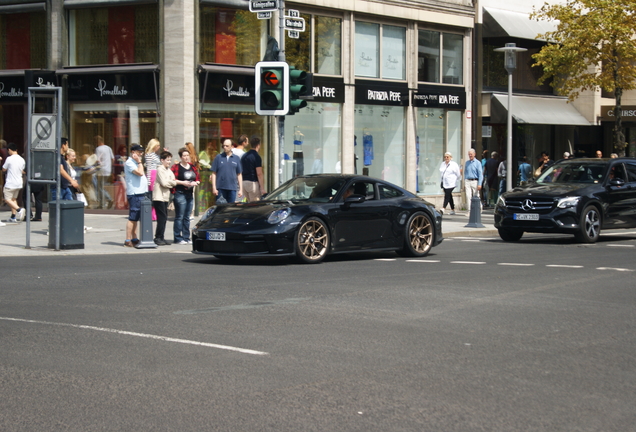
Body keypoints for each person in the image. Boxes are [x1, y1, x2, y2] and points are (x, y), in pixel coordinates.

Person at [170, 147, 200, 245]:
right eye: (184, 156)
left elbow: (197, 178)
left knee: (187, 217)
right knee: (180, 216)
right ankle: (178, 237)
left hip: (189, 194)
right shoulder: (176, 167)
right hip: (180, 193)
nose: (186, 157)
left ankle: (186, 237)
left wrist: (196, 183)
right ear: (180, 157)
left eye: (187, 155)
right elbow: (172, 179)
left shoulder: (192, 166)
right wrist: (183, 183)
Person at [124, 144, 148, 247]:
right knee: (133, 217)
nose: (140, 154)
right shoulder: (129, 163)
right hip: (135, 193)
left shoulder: (134, 162)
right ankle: (127, 239)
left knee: (136, 217)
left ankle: (134, 237)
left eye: (141, 152)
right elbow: (140, 173)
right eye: (138, 152)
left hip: (140, 192)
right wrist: (139, 162)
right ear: (133, 152)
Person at [152, 151, 177, 246]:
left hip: (165, 197)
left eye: (170, 160)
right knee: (161, 218)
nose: (169, 162)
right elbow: (164, 183)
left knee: (164, 218)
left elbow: (173, 181)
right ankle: (158, 237)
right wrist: (171, 182)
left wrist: (171, 182)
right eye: (167, 160)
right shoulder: (160, 169)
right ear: (162, 160)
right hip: (158, 197)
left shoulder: (168, 170)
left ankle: (161, 237)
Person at [211, 139, 243, 204]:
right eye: (223, 146)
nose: (225, 147)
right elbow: (214, 173)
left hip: (232, 188)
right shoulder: (218, 157)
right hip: (220, 188)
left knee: (230, 209)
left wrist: (241, 189)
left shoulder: (236, 158)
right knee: (220, 209)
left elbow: (239, 174)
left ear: (232, 146)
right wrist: (214, 188)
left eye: (227, 146)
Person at [2, 142, 26, 223]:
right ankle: (13, 216)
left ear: (9, 150)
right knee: (13, 199)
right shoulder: (22, 159)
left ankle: (19, 210)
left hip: (10, 183)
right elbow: (22, 170)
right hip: (19, 183)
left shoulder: (9, 159)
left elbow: (4, 169)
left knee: (7, 199)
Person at [242, 136, 266, 202]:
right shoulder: (256, 157)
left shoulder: (244, 156)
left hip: (244, 183)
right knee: (255, 205)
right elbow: (259, 173)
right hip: (252, 184)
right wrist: (262, 188)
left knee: (249, 204)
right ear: (258, 145)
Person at [94, 135, 114, 209]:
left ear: (98, 141)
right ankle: (102, 204)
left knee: (99, 187)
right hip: (108, 169)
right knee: (101, 187)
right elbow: (113, 159)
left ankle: (109, 199)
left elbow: (97, 160)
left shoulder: (98, 149)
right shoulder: (108, 148)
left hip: (101, 170)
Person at [463, 148, 483, 214]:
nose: (470, 155)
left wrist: (479, 183)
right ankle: (469, 211)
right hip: (468, 181)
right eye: (469, 154)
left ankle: (479, 208)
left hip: (475, 181)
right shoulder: (467, 163)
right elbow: (465, 173)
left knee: (476, 195)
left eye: (471, 154)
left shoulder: (478, 163)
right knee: (468, 196)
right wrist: (464, 182)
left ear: (474, 154)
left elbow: (480, 174)